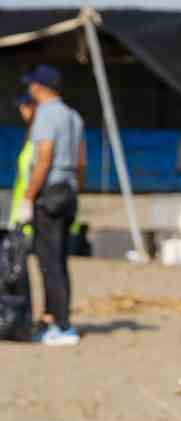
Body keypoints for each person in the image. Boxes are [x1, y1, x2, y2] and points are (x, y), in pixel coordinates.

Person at [17, 65, 84, 347]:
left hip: (50, 193)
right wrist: (76, 191)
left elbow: (44, 158)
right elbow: (81, 162)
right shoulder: (73, 116)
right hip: (69, 191)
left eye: (31, 85)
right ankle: (56, 319)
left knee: (49, 262)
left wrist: (29, 197)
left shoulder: (45, 114)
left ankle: (61, 325)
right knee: (61, 261)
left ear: (39, 87)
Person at [9, 92, 36, 230]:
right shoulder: (31, 135)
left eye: (25, 105)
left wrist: (28, 201)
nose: (21, 110)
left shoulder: (42, 138)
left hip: (33, 220)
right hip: (22, 219)